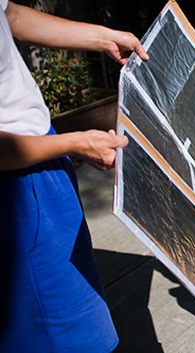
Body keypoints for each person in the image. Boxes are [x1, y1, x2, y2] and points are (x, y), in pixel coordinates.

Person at [0, 1, 149, 351]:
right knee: (68, 336)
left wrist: (103, 37)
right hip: (17, 185)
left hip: (39, 159)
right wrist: (77, 142)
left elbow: (11, 15)